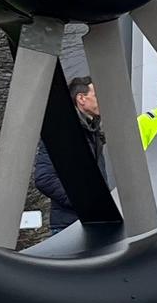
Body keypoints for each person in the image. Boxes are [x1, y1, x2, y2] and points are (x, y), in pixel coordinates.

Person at [34, 75, 106, 232]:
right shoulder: (61, 131)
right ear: (81, 99)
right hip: (70, 225)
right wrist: (83, 201)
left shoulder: (93, 130)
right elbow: (44, 178)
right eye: (97, 95)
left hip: (92, 221)